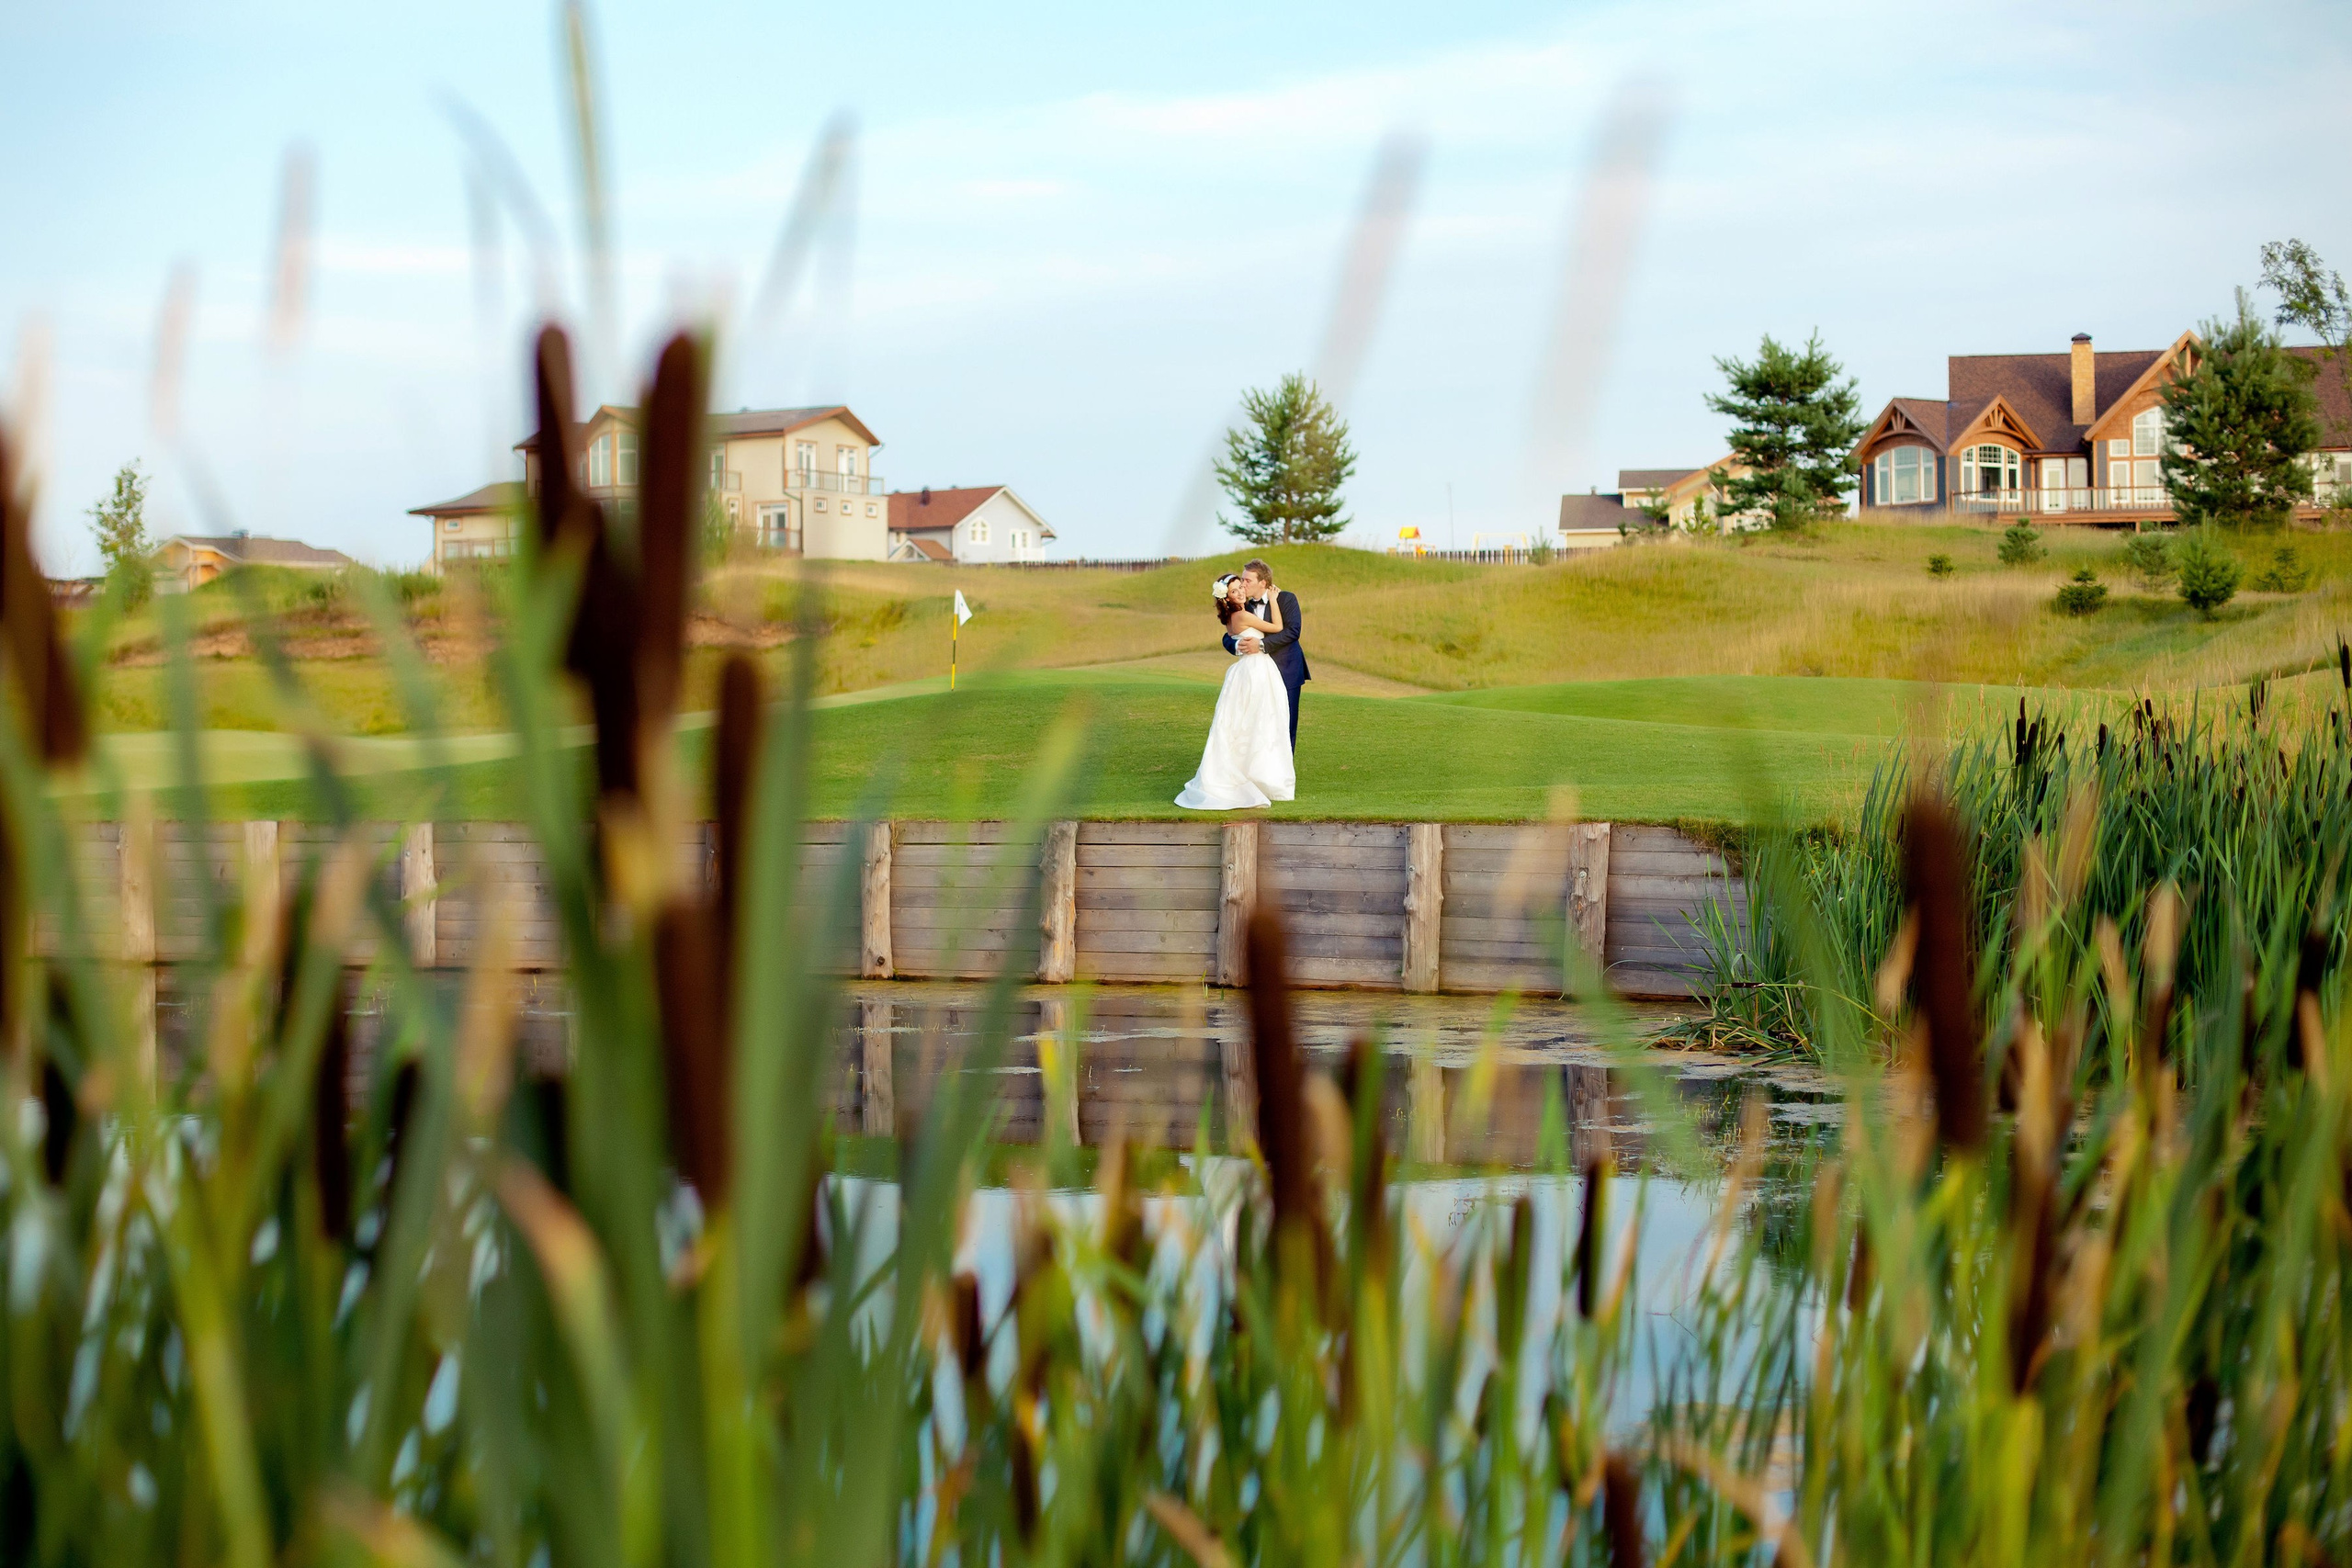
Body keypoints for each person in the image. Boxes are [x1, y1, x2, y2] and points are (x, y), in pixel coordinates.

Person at [1175, 575, 1296, 810]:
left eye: (1241, 587)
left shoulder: (1233, 617)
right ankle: (1256, 776)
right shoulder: (1241, 615)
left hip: (1247, 670)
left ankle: (1253, 773)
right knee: (1261, 720)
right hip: (1256, 671)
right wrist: (1273, 599)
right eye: (1234, 591)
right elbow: (1278, 628)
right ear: (1226, 597)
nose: (1241, 592)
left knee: (1244, 724)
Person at [1219, 559, 1308, 749]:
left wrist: (1260, 645)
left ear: (1263, 583)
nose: (1242, 585)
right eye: (1242, 580)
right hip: (1256, 675)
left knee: (1286, 723)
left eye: (1247, 581)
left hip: (1286, 670)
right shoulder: (1243, 606)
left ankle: (1284, 775)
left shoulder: (1286, 599)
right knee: (1258, 725)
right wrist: (1237, 646)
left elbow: (1293, 631)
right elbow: (1229, 634)